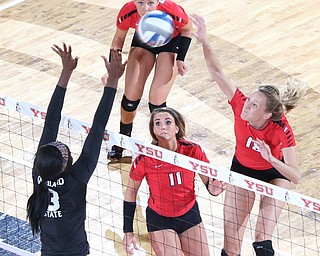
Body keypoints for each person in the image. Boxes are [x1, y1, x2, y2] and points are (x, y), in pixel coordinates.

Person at [190, 14, 307, 256]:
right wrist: (204, 40)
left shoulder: (281, 129)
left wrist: (272, 159)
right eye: (250, 100)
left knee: (261, 240)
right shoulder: (239, 105)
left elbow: (295, 176)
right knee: (231, 244)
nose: (247, 106)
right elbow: (217, 72)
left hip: (276, 174)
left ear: (266, 115)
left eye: (254, 105)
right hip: (242, 168)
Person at [26, 43, 126, 255]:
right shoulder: (74, 178)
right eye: (63, 151)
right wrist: (113, 82)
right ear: (64, 165)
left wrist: (65, 72)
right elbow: (97, 127)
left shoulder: (40, 171)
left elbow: (52, 120)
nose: (60, 144)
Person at [122, 107, 227, 255]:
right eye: (157, 123)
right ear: (153, 130)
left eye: (167, 122)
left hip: (189, 215)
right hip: (160, 220)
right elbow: (131, 192)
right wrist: (128, 231)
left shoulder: (193, 151)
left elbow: (210, 184)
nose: (163, 126)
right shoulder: (145, 159)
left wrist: (215, 188)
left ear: (177, 128)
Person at [107, 0, 193, 161]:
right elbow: (118, 41)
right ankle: (123, 139)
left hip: (171, 42)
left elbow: (188, 29)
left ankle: (164, 143)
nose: (145, 8)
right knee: (130, 99)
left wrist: (181, 58)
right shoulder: (127, 11)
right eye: (140, 3)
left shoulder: (172, 10)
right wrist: (112, 71)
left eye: (150, 3)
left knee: (156, 102)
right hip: (144, 41)